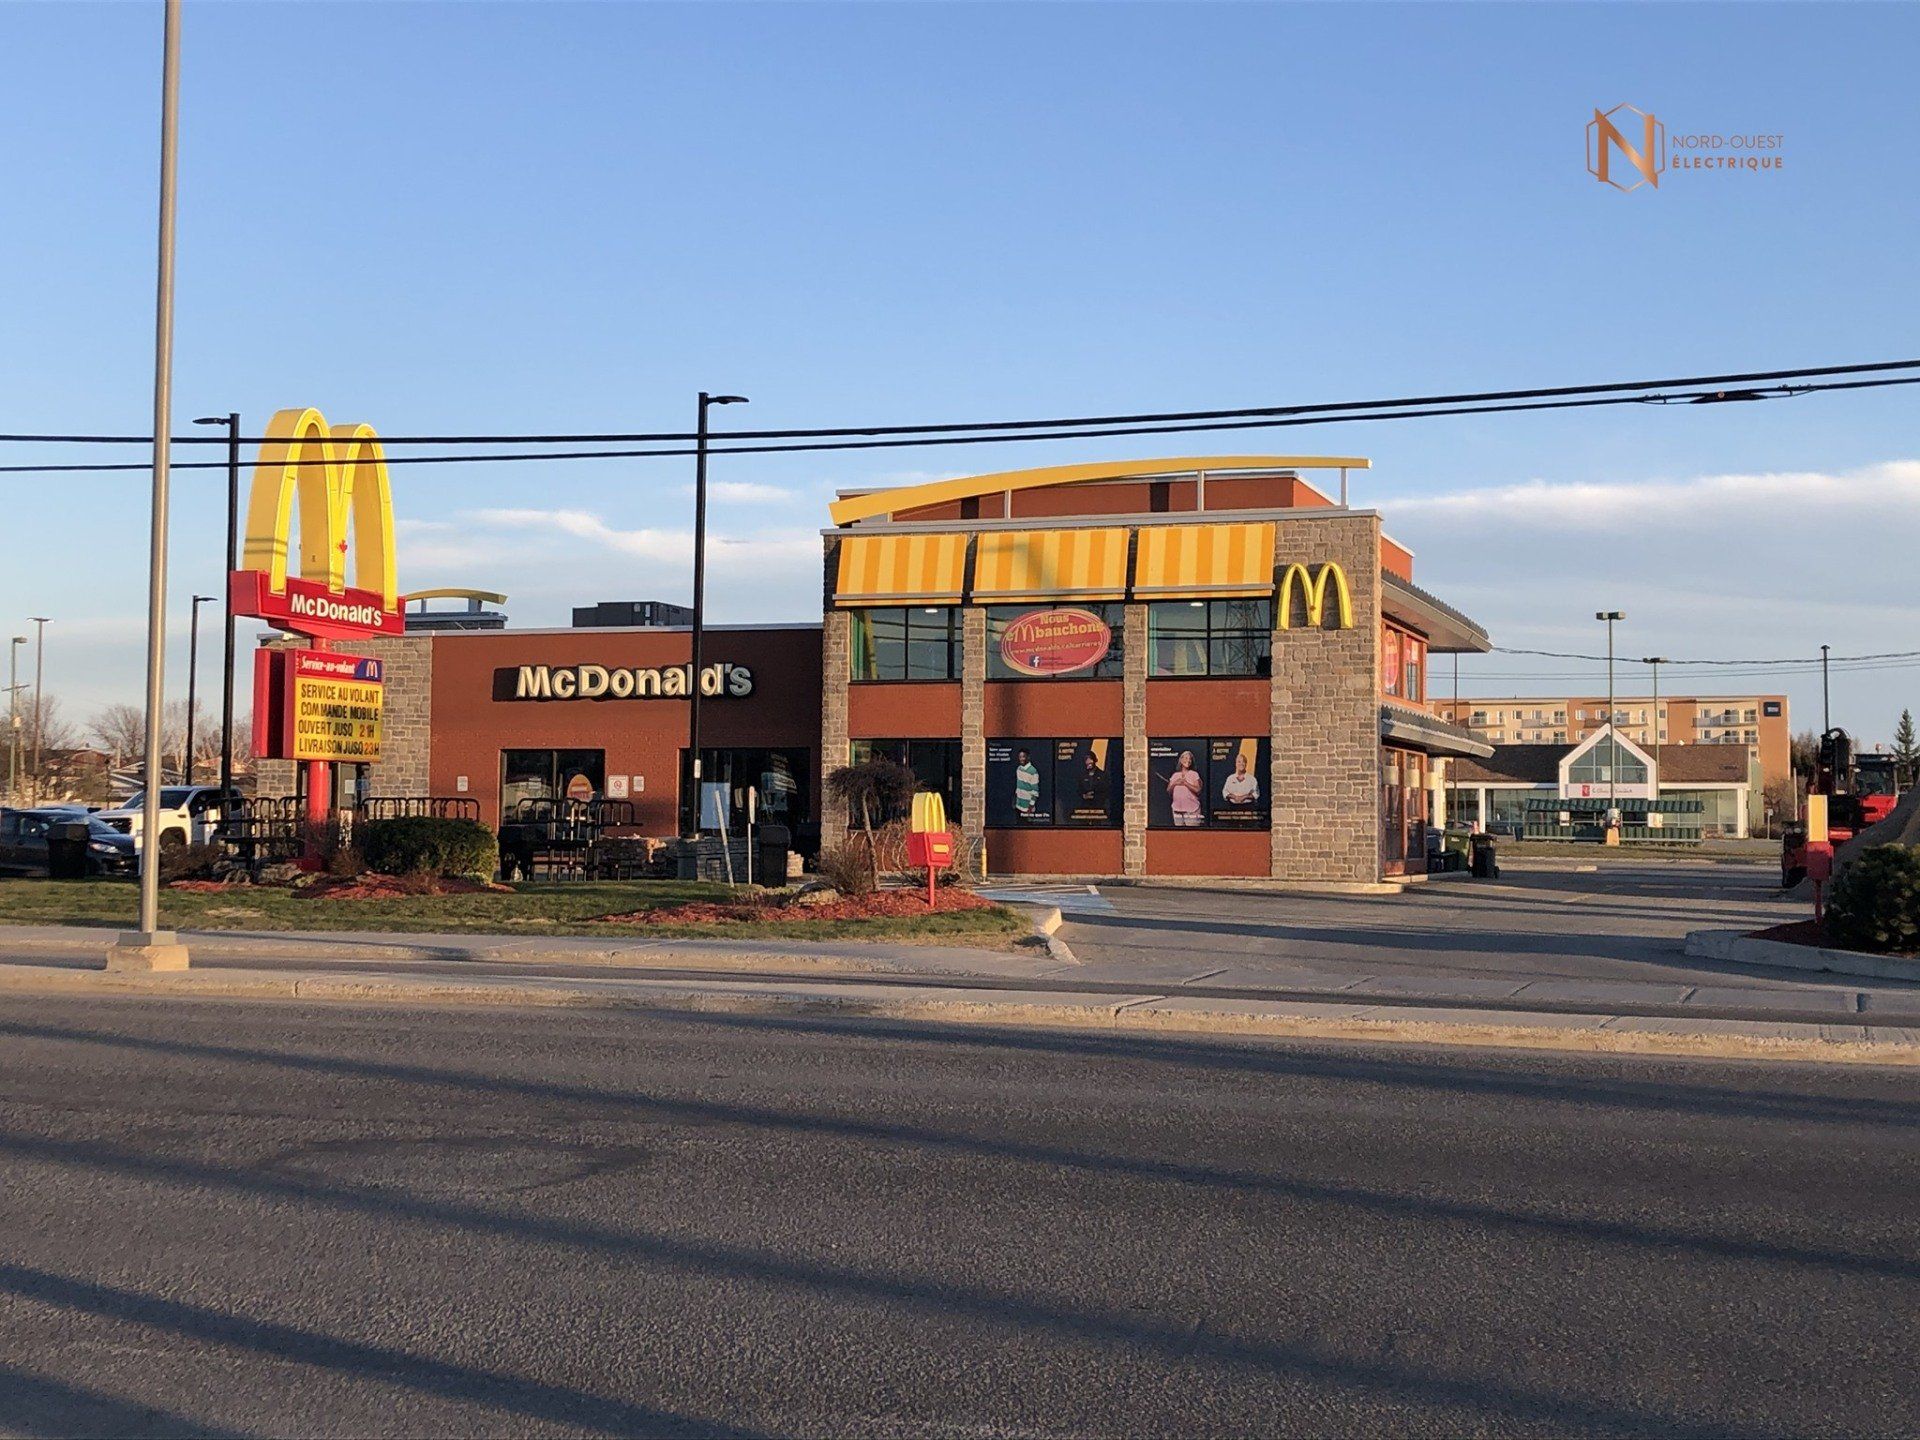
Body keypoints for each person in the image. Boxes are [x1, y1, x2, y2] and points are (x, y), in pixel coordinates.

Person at [1167, 749, 1203, 826]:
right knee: (1179, 835)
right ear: (1181, 760)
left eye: (1190, 759)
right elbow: (1169, 791)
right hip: (1177, 810)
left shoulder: (1194, 774)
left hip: (1192, 810)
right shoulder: (1175, 775)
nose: (1188, 760)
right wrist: (1175, 783)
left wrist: (1186, 783)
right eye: (1186, 758)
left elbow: (1198, 790)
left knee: (1192, 835)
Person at [1013, 748, 1041, 818]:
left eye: (1023, 756)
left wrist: (1030, 807)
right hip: (1018, 806)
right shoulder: (1018, 769)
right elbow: (1018, 786)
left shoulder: (1033, 771)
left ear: (1028, 757)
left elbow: (1035, 791)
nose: (1021, 759)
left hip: (1027, 808)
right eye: (1020, 757)